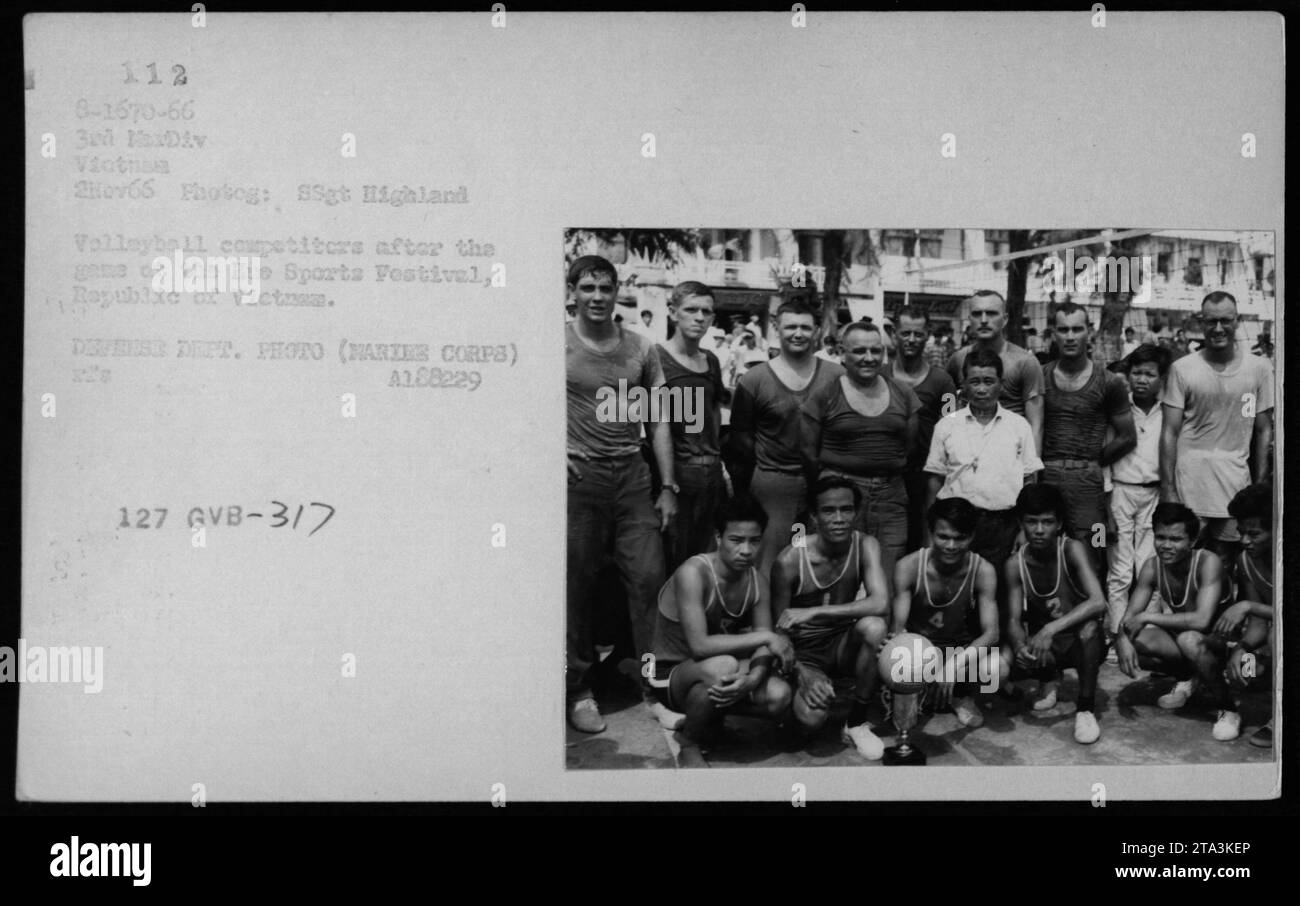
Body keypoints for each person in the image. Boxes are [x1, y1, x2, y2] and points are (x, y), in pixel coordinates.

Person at [565, 255, 677, 733]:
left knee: (649, 580)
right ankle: (579, 689)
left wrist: (668, 484)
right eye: (587, 287)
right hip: (578, 479)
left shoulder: (640, 349)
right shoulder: (554, 343)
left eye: (604, 287)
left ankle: (654, 686)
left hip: (632, 477)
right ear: (572, 290)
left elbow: (659, 419)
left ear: (617, 291)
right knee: (577, 587)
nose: (596, 296)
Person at [648, 495, 797, 767]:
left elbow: (764, 650)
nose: (746, 550)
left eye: (754, 541)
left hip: (711, 671)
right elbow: (699, 647)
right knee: (724, 666)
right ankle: (689, 741)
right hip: (669, 675)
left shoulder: (757, 581)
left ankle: (706, 716)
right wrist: (766, 636)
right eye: (736, 540)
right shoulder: (693, 573)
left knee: (779, 696)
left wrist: (752, 680)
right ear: (718, 537)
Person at [769, 477, 890, 758]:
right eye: (828, 511)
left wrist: (815, 610)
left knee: (875, 626)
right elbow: (779, 635)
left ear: (856, 513)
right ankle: (792, 705)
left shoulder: (865, 544)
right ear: (814, 516)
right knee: (811, 721)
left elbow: (881, 602)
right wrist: (802, 672)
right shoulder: (789, 561)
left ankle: (856, 721)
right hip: (805, 653)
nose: (839, 519)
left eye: (846, 510)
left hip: (840, 644)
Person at [726, 298, 843, 576]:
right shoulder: (753, 380)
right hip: (773, 482)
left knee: (820, 562)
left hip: (824, 482)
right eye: (791, 327)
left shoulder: (837, 375)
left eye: (805, 327)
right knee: (771, 564)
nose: (798, 333)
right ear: (776, 328)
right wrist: (745, 493)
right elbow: (740, 441)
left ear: (816, 330)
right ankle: (765, 619)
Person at [799, 322, 920, 585]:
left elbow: (910, 448)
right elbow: (809, 452)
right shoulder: (825, 395)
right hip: (841, 494)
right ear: (842, 354)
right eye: (860, 351)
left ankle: (881, 626)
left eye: (876, 351)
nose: (869, 358)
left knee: (887, 576)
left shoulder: (904, 394)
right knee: (836, 574)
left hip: (891, 496)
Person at [1161, 292, 1274, 562]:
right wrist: (1168, 487)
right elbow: (1169, 432)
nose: (1218, 328)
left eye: (1225, 320)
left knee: (1227, 565)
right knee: (1184, 564)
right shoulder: (1183, 369)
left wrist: (1258, 485)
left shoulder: (1259, 368)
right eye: (1211, 322)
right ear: (1201, 323)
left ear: (1238, 321)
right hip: (1190, 488)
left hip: (1235, 487)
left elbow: (1262, 430)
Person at [925, 348, 1044, 603]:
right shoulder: (947, 425)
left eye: (988, 382)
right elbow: (934, 480)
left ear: (1000, 385)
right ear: (964, 385)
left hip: (1002, 525)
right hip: (956, 524)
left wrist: (1024, 528)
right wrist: (932, 529)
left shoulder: (1018, 426)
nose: (981, 389)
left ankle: (994, 641)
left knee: (998, 593)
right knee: (955, 592)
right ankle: (957, 642)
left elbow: (1029, 481)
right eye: (974, 382)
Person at [1114, 503, 1239, 741]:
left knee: (1189, 639)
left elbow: (1202, 620)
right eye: (1160, 537)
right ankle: (1190, 678)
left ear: (1192, 541)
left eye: (1175, 539)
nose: (1166, 545)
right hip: (1187, 638)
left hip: (1221, 642)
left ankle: (1229, 709)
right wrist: (1121, 638)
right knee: (1137, 643)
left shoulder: (1207, 562)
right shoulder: (1152, 566)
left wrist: (1148, 616)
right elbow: (1131, 616)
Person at [1002, 484, 1107, 744]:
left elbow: (1098, 602)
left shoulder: (1072, 549)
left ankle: (1085, 707)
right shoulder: (1014, 564)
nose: (1039, 530)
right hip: (1045, 649)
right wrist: (1018, 646)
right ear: (1021, 523)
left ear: (1059, 524)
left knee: (1090, 628)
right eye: (1032, 522)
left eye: (1047, 522)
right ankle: (1048, 679)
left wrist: (1050, 629)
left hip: (1077, 642)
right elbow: (1014, 620)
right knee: (998, 665)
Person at [890, 496, 1002, 728]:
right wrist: (915, 666)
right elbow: (898, 629)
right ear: (931, 533)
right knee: (904, 722)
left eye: (959, 538)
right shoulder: (909, 567)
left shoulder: (983, 570)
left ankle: (961, 694)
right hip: (918, 650)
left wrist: (953, 666)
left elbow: (992, 634)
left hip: (957, 651)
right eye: (943, 537)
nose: (951, 546)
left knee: (997, 669)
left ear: (971, 536)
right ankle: (919, 690)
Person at [1040, 302, 1136, 566]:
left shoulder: (1109, 382)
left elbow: (1128, 437)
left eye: (1077, 329)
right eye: (1063, 330)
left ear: (1089, 332)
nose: (1070, 336)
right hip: (1045, 476)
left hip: (1089, 483)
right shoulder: (1039, 377)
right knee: (1044, 553)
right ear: (1053, 334)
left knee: (1094, 552)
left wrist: (1093, 461)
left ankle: (1095, 605)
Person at [657, 282, 728, 572]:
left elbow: (713, 412)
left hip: (711, 474)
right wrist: (667, 485)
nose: (699, 317)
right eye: (691, 309)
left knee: (705, 561)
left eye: (706, 311)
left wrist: (720, 467)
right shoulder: (655, 358)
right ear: (673, 313)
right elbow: (652, 425)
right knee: (674, 560)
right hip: (678, 474)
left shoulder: (710, 359)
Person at [1105, 344, 1168, 636]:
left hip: (1154, 494)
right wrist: (1105, 504)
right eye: (1136, 373)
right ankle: (1118, 634)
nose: (1142, 379)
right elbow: (1104, 457)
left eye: (1150, 374)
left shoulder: (1168, 410)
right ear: (1127, 376)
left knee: (1149, 567)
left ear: (1161, 378)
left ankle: (1147, 632)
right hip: (1120, 491)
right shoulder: (1117, 408)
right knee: (1120, 570)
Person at [886, 306, 959, 551]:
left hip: (925, 475)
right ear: (894, 333)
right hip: (887, 473)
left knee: (921, 540)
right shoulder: (880, 375)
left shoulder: (942, 381)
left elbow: (951, 428)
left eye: (918, 334)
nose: (911, 340)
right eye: (905, 333)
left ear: (927, 334)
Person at [945, 289, 1045, 455]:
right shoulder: (957, 359)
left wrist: (1031, 469)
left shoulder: (1025, 362)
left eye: (991, 313)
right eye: (977, 314)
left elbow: (1036, 425)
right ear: (969, 319)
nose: (984, 320)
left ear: (1004, 319)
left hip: (1009, 457)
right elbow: (946, 405)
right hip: (968, 457)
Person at [1215, 484, 1275, 747]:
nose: (1245, 540)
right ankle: (1261, 679)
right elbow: (1259, 624)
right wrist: (1243, 648)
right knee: (1247, 670)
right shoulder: (1245, 560)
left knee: (1276, 636)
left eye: (1254, 534)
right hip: (1271, 639)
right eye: (1241, 533)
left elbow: (1258, 612)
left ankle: (1278, 720)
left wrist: (1248, 607)